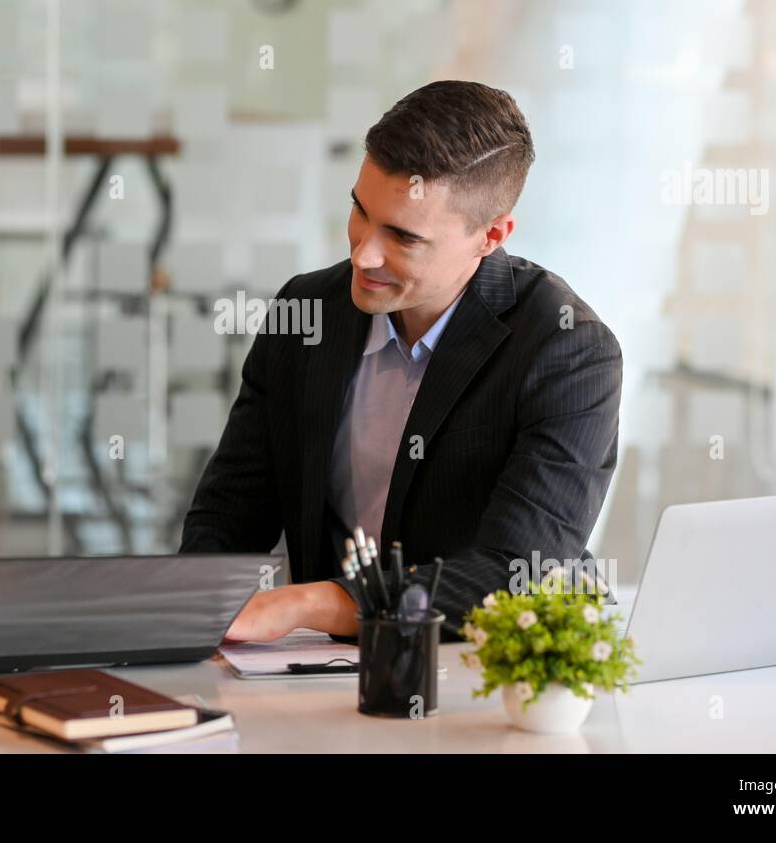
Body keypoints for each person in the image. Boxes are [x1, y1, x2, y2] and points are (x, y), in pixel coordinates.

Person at [180, 81, 623, 643]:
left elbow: (514, 574)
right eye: (360, 212)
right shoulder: (307, 312)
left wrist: (309, 604)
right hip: (330, 671)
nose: (363, 253)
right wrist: (188, 621)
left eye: (403, 237)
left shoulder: (568, 351)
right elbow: (228, 518)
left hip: (490, 668)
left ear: (490, 236)